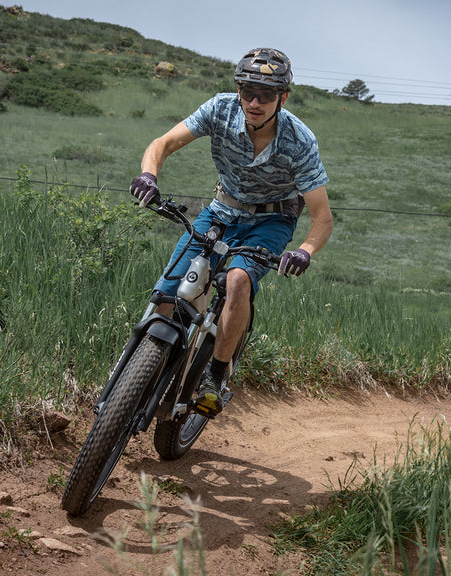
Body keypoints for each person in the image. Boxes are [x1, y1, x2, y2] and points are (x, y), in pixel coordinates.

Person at [129, 47, 333, 418]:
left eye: (267, 95)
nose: (255, 102)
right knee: (167, 295)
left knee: (238, 279)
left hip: (271, 220)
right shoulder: (220, 109)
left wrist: (303, 251)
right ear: (238, 90)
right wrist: (148, 175)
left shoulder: (300, 141)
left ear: (282, 98)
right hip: (222, 208)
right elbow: (163, 144)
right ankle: (138, 377)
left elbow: (322, 218)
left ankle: (215, 375)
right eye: (248, 92)